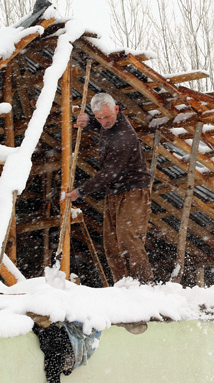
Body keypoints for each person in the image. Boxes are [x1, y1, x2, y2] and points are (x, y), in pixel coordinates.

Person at [67, 93, 154, 284]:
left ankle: (145, 285)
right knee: (111, 243)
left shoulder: (124, 136)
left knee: (128, 236)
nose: (104, 122)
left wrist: (80, 191)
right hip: (114, 191)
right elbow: (102, 126)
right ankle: (122, 284)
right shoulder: (107, 122)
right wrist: (88, 121)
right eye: (100, 118)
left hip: (134, 189)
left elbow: (109, 173)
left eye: (107, 117)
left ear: (116, 109)